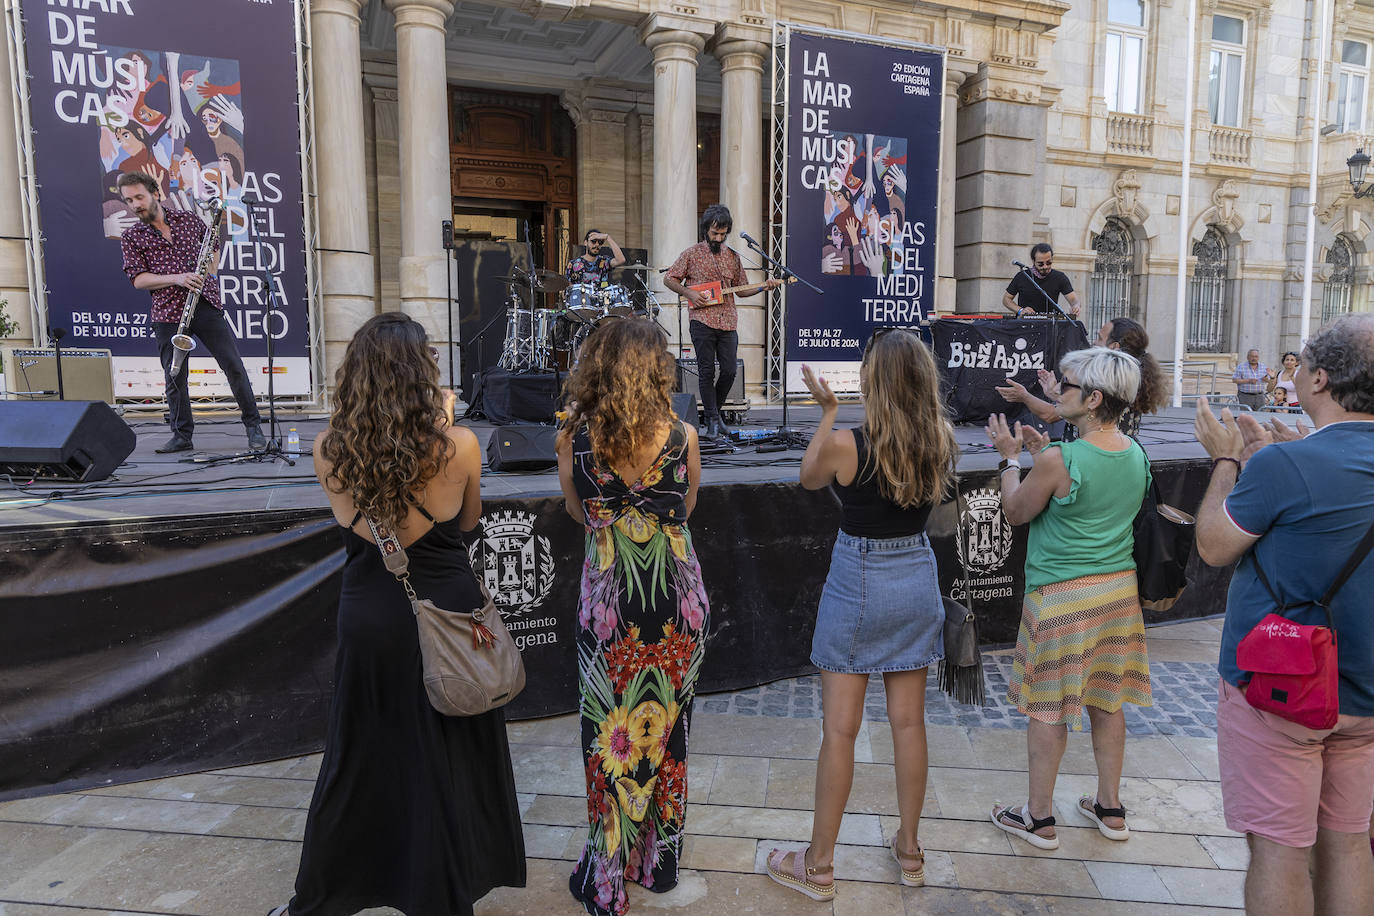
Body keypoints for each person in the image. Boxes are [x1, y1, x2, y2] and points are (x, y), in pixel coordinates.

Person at [275, 312, 526, 916]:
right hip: (448, 609)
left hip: (372, 613)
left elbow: (352, 520)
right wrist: (444, 421)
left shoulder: (328, 447)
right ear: (424, 373)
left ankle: (337, 889)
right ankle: (442, 889)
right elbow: (467, 524)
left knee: (362, 752)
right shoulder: (460, 443)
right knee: (451, 751)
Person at [1192, 314, 1374, 916]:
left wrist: (1228, 461)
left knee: (1279, 850)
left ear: (1319, 378)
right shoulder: (1295, 459)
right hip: (1367, 699)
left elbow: (1214, 546)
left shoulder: (1282, 466)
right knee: (1349, 845)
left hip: (1283, 690)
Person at [765, 329, 956, 902]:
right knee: (909, 724)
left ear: (874, 381)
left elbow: (807, 477)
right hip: (916, 579)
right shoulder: (941, 438)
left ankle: (819, 866)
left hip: (861, 580)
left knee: (840, 731)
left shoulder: (851, 443)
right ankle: (912, 850)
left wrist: (826, 414)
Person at [556, 318, 708, 916]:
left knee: (607, 737)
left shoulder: (574, 435)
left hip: (610, 603)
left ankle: (608, 873)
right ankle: (657, 863)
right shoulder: (684, 436)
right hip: (677, 600)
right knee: (668, 732)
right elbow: (686, 508)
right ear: (658, 369)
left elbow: (576, 509)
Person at [985, 347, 1152, 850]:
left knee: (1048, 708)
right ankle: (1110, 807)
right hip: (1119, 594)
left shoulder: (1062, 458)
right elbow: (1086, 498)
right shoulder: (1136, 452)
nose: (1059, 390)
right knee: (1109, 699)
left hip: (1061, 598)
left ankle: (1038, 817)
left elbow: (1015, 511)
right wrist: (1042, 460)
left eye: (1068, 385)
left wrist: (1011, 459)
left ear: (1094, 398)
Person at [117, 171, 266, 453]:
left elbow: (212, 247)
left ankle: (254, 428)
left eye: (139, 197)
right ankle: (182, 435)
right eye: (129, 200)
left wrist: (210, 269)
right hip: (168, 313)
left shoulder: (188, 219)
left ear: (155, 193)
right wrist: (177, 277)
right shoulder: (131, 236)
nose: (135, 204)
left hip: (205, 304)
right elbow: (138, 280)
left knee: (233, 365)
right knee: (175, 376)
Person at [664, 204, 781, 438]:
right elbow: (670, 279)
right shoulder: (691, 253)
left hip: (728, 321)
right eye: (714, 233)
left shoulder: (733, 257)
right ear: (706, 229)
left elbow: (742, 291)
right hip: (701, 320)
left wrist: (763, 286)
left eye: (723, 233)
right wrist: (689, 293)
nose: (718, 237)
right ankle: (712, 421)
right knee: (706, 371)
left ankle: (714, 416)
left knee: (729, 371)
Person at [997, 316, 1167, 437]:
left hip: (1095, 460)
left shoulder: (1104, 382)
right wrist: (1057, 392)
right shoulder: (1128, 377)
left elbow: (1051, 414)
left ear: (1114, 347)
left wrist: (1024, 396)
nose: (1093, 343)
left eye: (1099, 338)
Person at [1002, 243, 1080, 317]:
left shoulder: (1060, 277)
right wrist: (1020, 310)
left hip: (1050, 325)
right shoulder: (1022, 276)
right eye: (1040, 264)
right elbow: (1006, 299)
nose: (1045, 266)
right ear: (1033, 261)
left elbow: (1074, 300)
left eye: (1049, 263)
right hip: (1025, 325)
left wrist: (1076, 306)